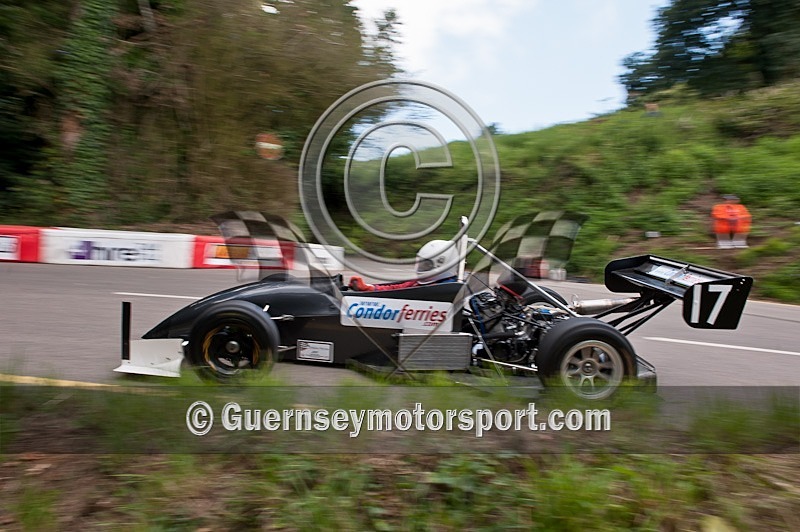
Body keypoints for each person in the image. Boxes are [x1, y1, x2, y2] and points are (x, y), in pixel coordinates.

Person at [349, 240, 459, 291]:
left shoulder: (444, 289)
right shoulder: (420, 282)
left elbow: (396, 294)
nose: (422, 267)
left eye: (426, 265)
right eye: (421, 263)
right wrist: (368, 288)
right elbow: (397, 289)